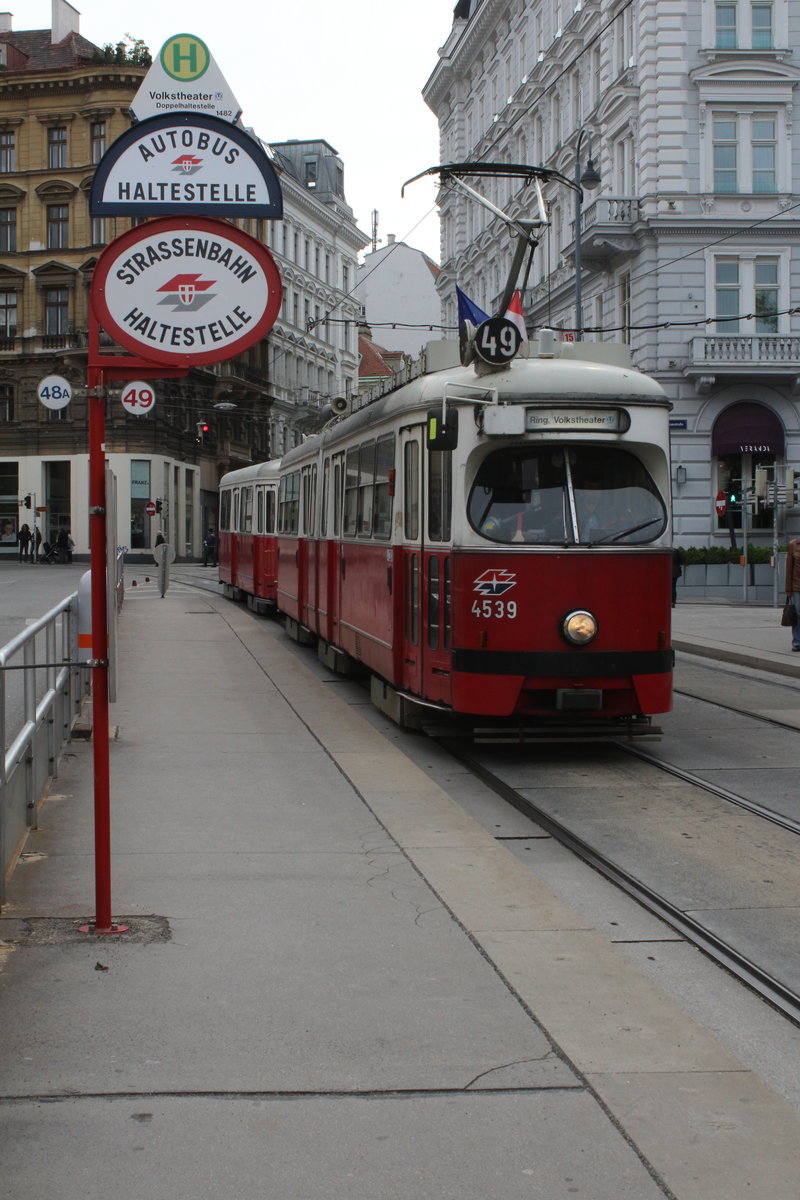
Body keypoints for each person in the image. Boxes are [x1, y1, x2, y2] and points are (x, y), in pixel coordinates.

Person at [784, 537, 800, 651]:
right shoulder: (793, 544)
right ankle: (797, 642)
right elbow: (789, 569)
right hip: (797, 587)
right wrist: (788, 589)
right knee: (798, 614)